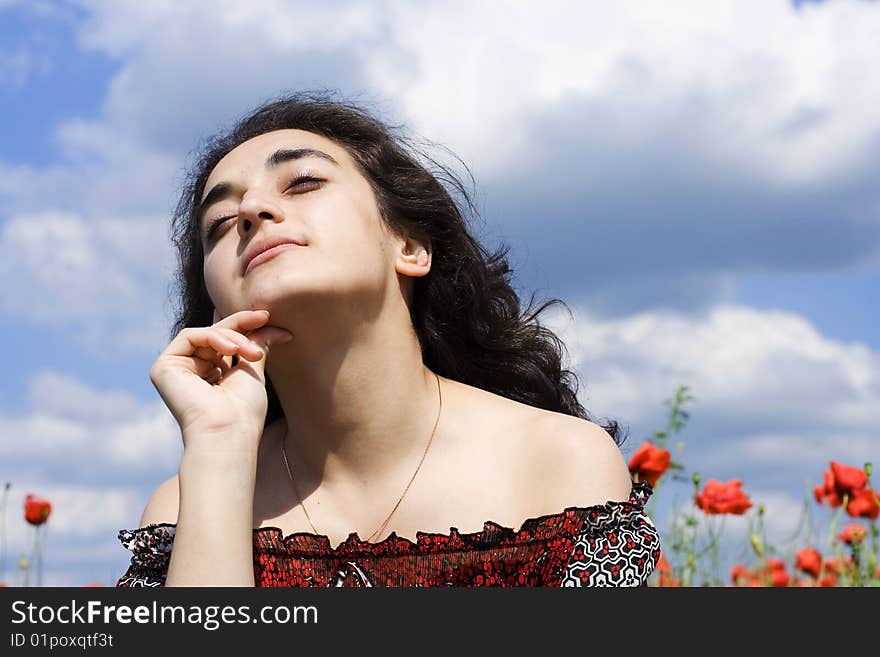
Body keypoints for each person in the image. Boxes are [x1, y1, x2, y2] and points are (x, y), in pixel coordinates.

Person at [116, 91, 660, 587]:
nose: (253, 213)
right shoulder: (183, 508)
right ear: (219, 306)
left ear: (410, 245)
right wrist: (218, 444)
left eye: (303, 183)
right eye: (220, 223)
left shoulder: (557, 459)